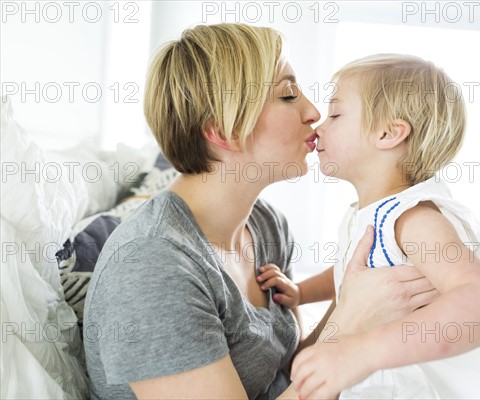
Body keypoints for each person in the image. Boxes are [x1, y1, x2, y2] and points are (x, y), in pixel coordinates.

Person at [82, 25, 438, 400]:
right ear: (223, 130)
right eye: (287, 95)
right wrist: (351, 323)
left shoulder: (266, 225)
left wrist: (350, 299)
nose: (314, 112)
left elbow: (289, 372)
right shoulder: (151, 267)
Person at [267, 54, 480, 399]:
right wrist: (303, 297)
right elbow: (348, 278)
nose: (318, 127)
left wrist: (362, 352)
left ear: (389, 133)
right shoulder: (367, 215)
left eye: (336, 114)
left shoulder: (414, 218)